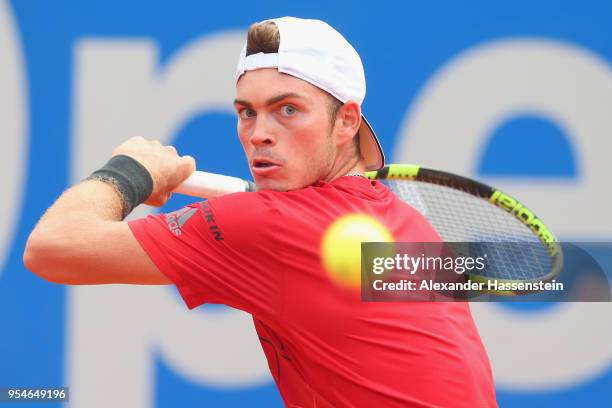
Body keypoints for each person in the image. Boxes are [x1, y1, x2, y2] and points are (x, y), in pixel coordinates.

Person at [24, 17, 497, 407]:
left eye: (287, 110)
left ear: (346, 121)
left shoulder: (268, 226)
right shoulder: (406, 226)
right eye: (246, 112)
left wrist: (129, 171)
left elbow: (53, 247)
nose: (259, 133)